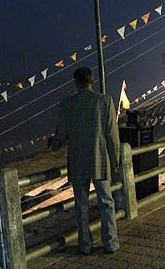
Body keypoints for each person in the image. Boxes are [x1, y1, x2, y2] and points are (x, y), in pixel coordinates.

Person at [49, 67, 121, 255]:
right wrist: (116, 160)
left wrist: (52, 144)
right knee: (106, 202)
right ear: (92, 81)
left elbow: (61, 136)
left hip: (77, 161)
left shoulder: (67, 104)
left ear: (76, 82)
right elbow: (112, 136)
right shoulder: (105, 102)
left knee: (81, 205)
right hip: (100, 160)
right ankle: (110, 243)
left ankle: (85, 244)